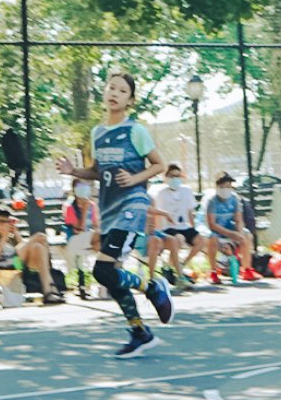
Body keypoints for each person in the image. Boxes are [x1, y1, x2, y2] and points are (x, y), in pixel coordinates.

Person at [56, 71, 173, 356]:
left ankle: (151, 286)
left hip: (132, 206)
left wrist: (134, 179)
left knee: (102, 270)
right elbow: (98, 172)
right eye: (111, 88)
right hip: (109, 210)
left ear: (130, 100)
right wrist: (74, 171)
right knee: (111, 275)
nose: (114, 93)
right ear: (104, 93)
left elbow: (159, 165)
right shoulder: (98, 133)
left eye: (122, 91)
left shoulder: (135, 130)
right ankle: (140, 332)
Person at [0, 207, 64, 304]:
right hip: (4, 266)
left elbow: (23, 247)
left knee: (38, 247)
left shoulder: (12, 237)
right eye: (1, 222)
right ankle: (52, 287)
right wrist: (3, 238)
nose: (4, 225)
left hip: (18, 264)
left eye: (7, 222)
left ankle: (48, 291)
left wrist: (15, 233)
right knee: (40, 237)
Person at [146, 163, 201, 291]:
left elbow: (190, 212)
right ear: (166, 177)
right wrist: (157, 229)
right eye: (172, 176)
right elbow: (154, 213)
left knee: (200, 240)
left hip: (183, 226)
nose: (175, 179)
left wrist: (193, 227)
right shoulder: (159, 193)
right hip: (167, 228)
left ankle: (179, 267)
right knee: (177, 239)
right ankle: (160, 276)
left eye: (177, 176)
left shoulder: (186, 191)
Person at [204, 172, 261, 283]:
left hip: (230, 228)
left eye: (228, 187)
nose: (226, 190)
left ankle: (246, 269)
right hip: (217, 231)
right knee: (212, 237)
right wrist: (230, 234)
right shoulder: (212, 201)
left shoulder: (234, 199)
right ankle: (213, 272)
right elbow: (212, 224)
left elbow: (238, 220)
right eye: (223, 187)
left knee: (247, 235)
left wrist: (239, 233)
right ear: (217, 187)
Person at [63, 180, 100, 298]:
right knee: (82, 257)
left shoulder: (92, 206)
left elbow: (96, 225)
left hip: (90, 238)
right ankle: (82, 284)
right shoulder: (70, 207)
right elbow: (78, 229)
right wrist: (84, 210)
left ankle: (102, 281)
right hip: (75, 240)